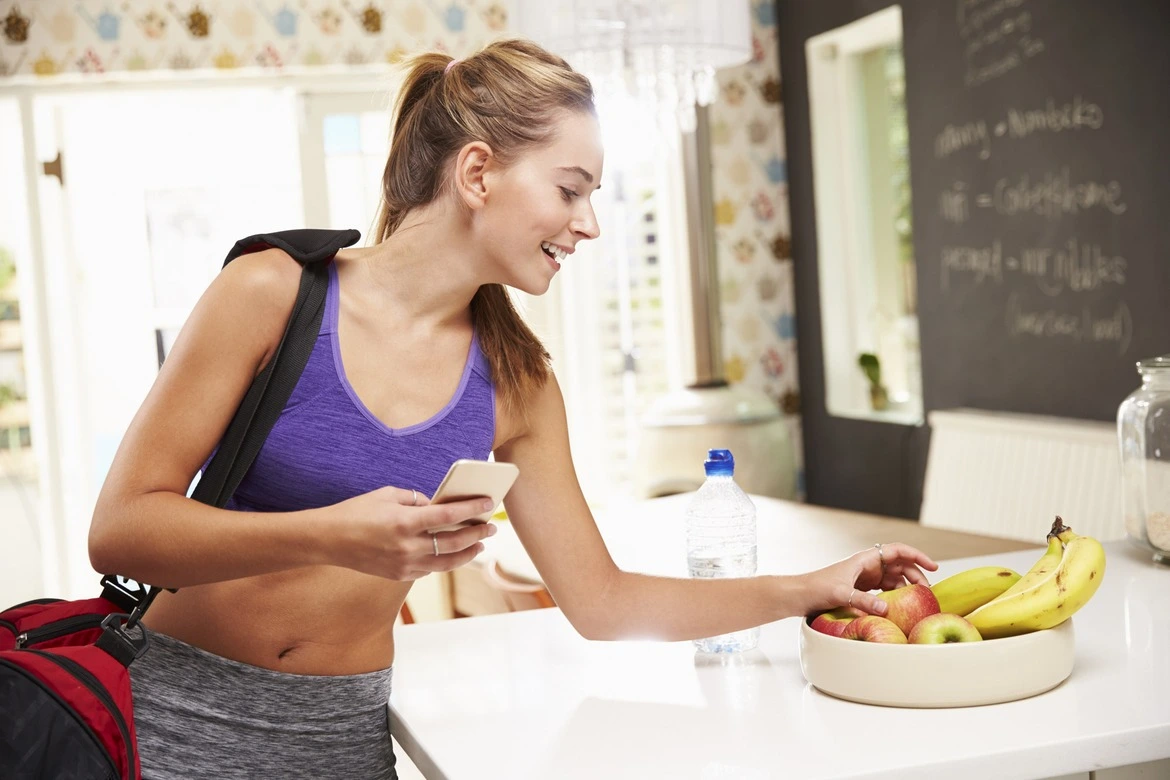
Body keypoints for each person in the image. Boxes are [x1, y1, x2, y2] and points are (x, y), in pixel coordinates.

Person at [88, 38, 937, 779]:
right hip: (174, 720)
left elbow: (602, 603)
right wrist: (332, 533)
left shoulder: (517, 379)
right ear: (478, 172)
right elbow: (122, 528)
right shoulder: (270, 293)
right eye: (571, 190)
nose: (589, 223)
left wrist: (808, 589)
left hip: (341, 738)